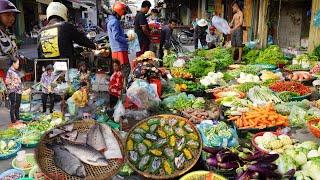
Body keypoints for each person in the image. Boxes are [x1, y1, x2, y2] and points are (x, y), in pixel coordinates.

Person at [37, 2, 96, 68]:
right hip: (66, 69)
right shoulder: (65, 26)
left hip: (49, 70)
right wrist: (94, 46)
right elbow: (81, 40)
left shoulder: (41, 32)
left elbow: (40, 54)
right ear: (63, 12)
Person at [107, 1, 132, 87]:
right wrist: (127, 39)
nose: (122, 15)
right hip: (119, 50)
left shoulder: (112, 21)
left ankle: (119, 88)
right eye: (122, 13)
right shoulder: (114, 22)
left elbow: (117, 34)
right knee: (124, 71)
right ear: (119, 12)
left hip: (117, 50)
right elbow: (116, 37)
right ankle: (122, 89)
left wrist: (125, 35)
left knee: (120, 71)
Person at [0, 0, 21, 73]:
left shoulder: (10, 33)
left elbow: (14, 52)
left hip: (12, 75)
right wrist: (13, 60)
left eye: (13, 15)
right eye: (8, 15)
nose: (12, 18)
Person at [5, 58, 22, 123]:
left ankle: (18, 119)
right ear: (13, 63)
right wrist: (13, 83)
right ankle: (13, 121)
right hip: (14, 91)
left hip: (18, 91)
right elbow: (6, 81)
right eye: (17, 64)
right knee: (14, 106)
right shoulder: (10, 71)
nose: (18, 65)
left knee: (17, 106)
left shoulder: (15, 71)